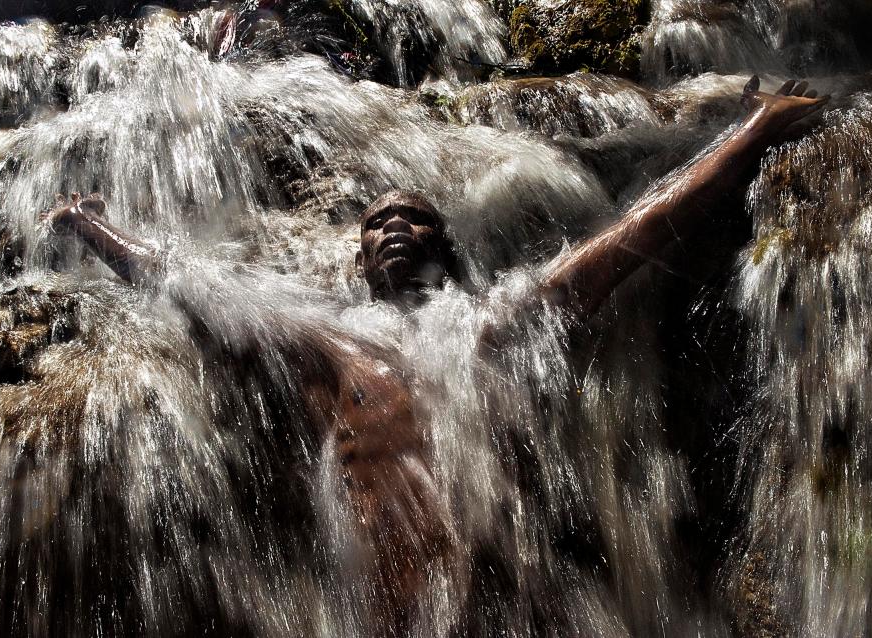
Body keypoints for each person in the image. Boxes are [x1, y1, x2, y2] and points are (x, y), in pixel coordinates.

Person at [40, 77, 828, 634]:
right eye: (377, 225)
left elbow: (633, 235)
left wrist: (752, 129)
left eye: (414, 220)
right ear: (356, 265)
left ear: (446, 248)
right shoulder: (328, 347)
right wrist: (90, 225)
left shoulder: (503, 321)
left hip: (526, 609)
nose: (394, 229)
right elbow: (189, 282)